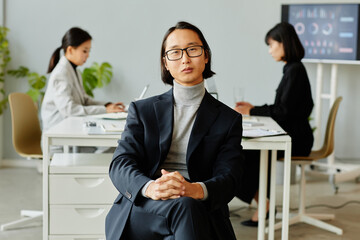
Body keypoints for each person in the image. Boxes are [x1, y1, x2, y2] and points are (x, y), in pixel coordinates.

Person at [105, 21, 244, 240]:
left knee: (186, 208)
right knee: (185, 209)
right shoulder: (143, 110)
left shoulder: (228, 119)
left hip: (198, 206)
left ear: (206, 56)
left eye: (193, 50)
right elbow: (121, 162)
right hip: (144, 208)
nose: (185, 59)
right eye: (175, 53)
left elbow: (231, 177)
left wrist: (194, 189)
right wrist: (150, 188)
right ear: (166, 63)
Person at [235, 22, 314, 227]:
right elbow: (283, 107)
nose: (270, 50)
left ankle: (265, 206)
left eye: (272, 45)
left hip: (296, 139)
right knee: (249, 153)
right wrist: (254, 108)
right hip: (296, 133)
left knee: (243, 154)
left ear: (284, 43)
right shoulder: (292, 69)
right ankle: (265, 205)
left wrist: (252, 111)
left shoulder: (294, 70)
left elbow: (283, 111)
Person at [41, 27, 125, 133]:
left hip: (72, 129)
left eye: (89, 51)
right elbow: (69, 110)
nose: (88, 55)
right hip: (59, 135)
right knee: (113, 143)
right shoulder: (61, 74)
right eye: (84, 51)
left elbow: (85, 101)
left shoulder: (75, 71)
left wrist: (107, 105)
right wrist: (105, 110)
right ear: (70, 50)